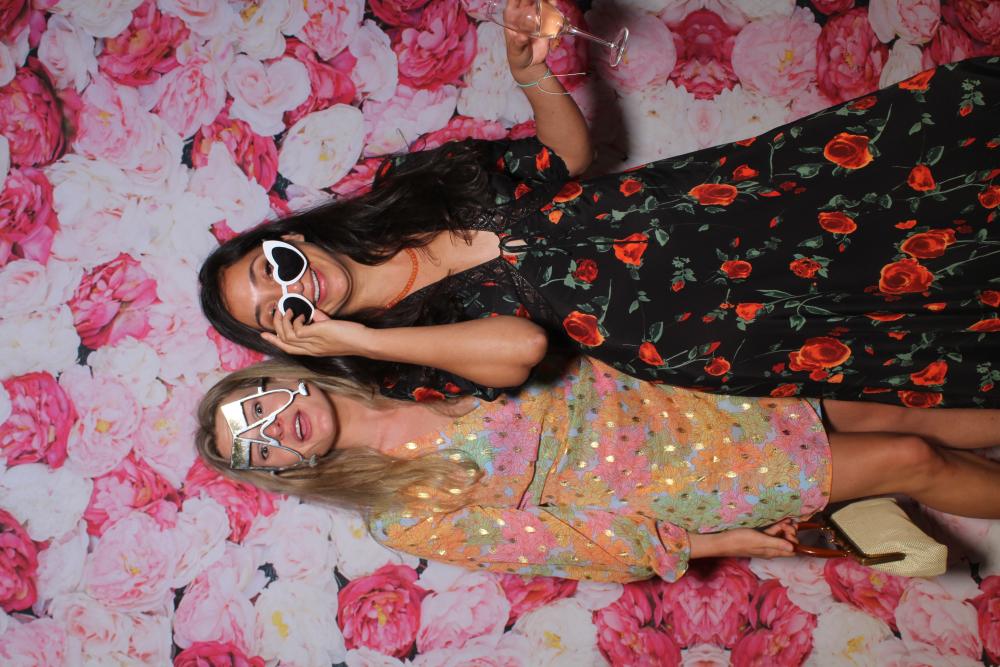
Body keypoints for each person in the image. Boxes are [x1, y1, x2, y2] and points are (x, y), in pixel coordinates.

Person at [198, 38, 1000, 408]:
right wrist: (359, 342)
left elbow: (564, 158)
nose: (293, 289)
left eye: (272, 268)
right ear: (291, 335)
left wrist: (531, 75)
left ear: (290, 239)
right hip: (699, 320)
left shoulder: (400, 190)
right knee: (905, 306)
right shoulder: (397, 361)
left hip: (708, 205)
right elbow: (521, 347)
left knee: (913, 180)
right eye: (277, 311)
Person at [195, 355, 1000, 583]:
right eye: (256, 445)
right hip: (688, 473)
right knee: (911, 458)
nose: (271, 426)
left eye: (259, 403)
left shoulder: (400, 353)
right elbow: (561, 544)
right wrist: (722, 543)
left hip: (684, 386)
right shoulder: (400, 514)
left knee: (904, 412)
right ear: (285, 469)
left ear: (282, 375)